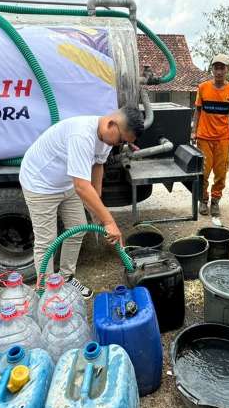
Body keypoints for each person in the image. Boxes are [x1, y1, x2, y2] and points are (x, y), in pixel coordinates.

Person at [20, 107, 144, 299]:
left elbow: (98, 165)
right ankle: (48, 292)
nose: (119, 145)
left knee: (78, 227)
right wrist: (109, 222)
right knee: (47, 242)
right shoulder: (82, 135)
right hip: (40, 184)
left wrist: (97, 206)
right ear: (111, 124)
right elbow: (81, 185)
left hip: (66, 182)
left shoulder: (106, 136)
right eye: (121, 140)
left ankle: (66, 278)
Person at [191, 54, 229, 216]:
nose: (219, 71)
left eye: (222, 68)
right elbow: (198, 111)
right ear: (211, 69)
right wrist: (193, 131)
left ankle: (215, 201)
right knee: (203, 173)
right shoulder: (203, 88)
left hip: (223, 139)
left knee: (221, 174)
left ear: (227, 69)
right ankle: (203, 201)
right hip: (204, 137)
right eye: (216, 67)